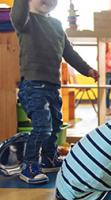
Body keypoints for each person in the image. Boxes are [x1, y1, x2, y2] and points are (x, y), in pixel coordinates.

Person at [10, 0, 99, 184]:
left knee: (56, 126)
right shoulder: (26, 20)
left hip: (52, 87)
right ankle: (29, 166)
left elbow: (70, 54)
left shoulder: (57, 25)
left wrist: (87, 70)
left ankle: (49, 159)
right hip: (33, 86)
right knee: (42, 127)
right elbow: (17, 13)